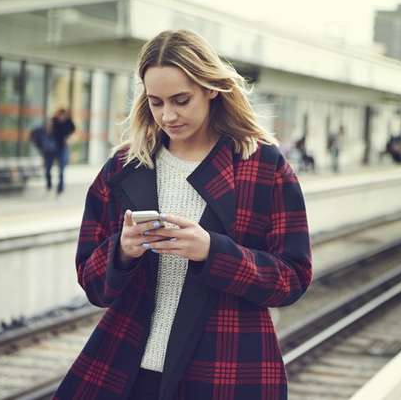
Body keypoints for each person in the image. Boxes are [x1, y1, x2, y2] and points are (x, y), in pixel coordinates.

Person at [53, 30, 313, 400]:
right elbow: (93, 285)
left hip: (223, 372)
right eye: (156, 102)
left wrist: (213, 251)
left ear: (211, 88)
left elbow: (293, 278)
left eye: (181, 100)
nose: (168, 115)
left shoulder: (263, 167)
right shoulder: (125, 168)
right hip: (129, 370)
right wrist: (122, 251)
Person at [47, 108, 75, 195]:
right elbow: (48, 132)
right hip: (52, 148)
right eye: (60, 115)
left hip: (63, 148)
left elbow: (73, 131)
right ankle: (49, 184)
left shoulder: (68, 122)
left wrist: (69, 138)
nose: (61, 117)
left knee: (61, 168)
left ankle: (60, 188)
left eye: (63, 115)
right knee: (48, 168)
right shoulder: (53, 120)